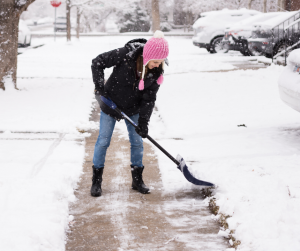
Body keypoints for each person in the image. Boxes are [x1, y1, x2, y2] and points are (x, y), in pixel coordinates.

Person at [90, 30, 169, 197]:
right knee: (103, 141)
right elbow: (97, 62)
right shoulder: (125, 55)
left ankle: (137, 180)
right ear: (147, 57)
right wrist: (99, 87)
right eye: (155, 61)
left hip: (133, 108)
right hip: (110, 104)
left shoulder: (156, 72)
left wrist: (143, 123)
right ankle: (96, 181)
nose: (157, 65)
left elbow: (149, 99)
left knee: (137, 142)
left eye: (161, 62)